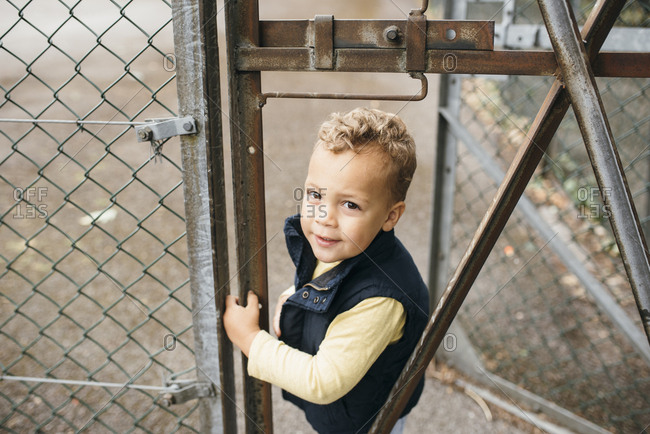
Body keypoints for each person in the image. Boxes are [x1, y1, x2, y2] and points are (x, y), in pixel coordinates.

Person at [224, 107, 430, 434]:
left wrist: (250, 340)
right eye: (316, 194)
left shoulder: (382, 299)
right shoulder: (342, 244)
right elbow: (328, 288)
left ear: (391, 216)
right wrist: (294, 299)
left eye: (350, 204)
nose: (324, 216)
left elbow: (322, 380)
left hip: (369, 423)